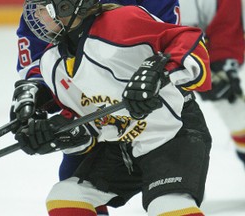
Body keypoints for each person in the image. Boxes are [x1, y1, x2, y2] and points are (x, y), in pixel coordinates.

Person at [12, 0, 212, 215]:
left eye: (43, 9)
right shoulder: (52, 62)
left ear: (66, 7)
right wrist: (57, 134)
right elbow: (88, 121)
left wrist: (160, 72)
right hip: (122, 144)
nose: (36, 16)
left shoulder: (121, 20)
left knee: (166, 204)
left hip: (172, 134)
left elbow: (187, 38)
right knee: (66, 196)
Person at [179, 0, 245, 165]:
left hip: (209, 52)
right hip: (161, 52)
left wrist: (222, 59)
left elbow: (228, 15)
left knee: (235, 114)